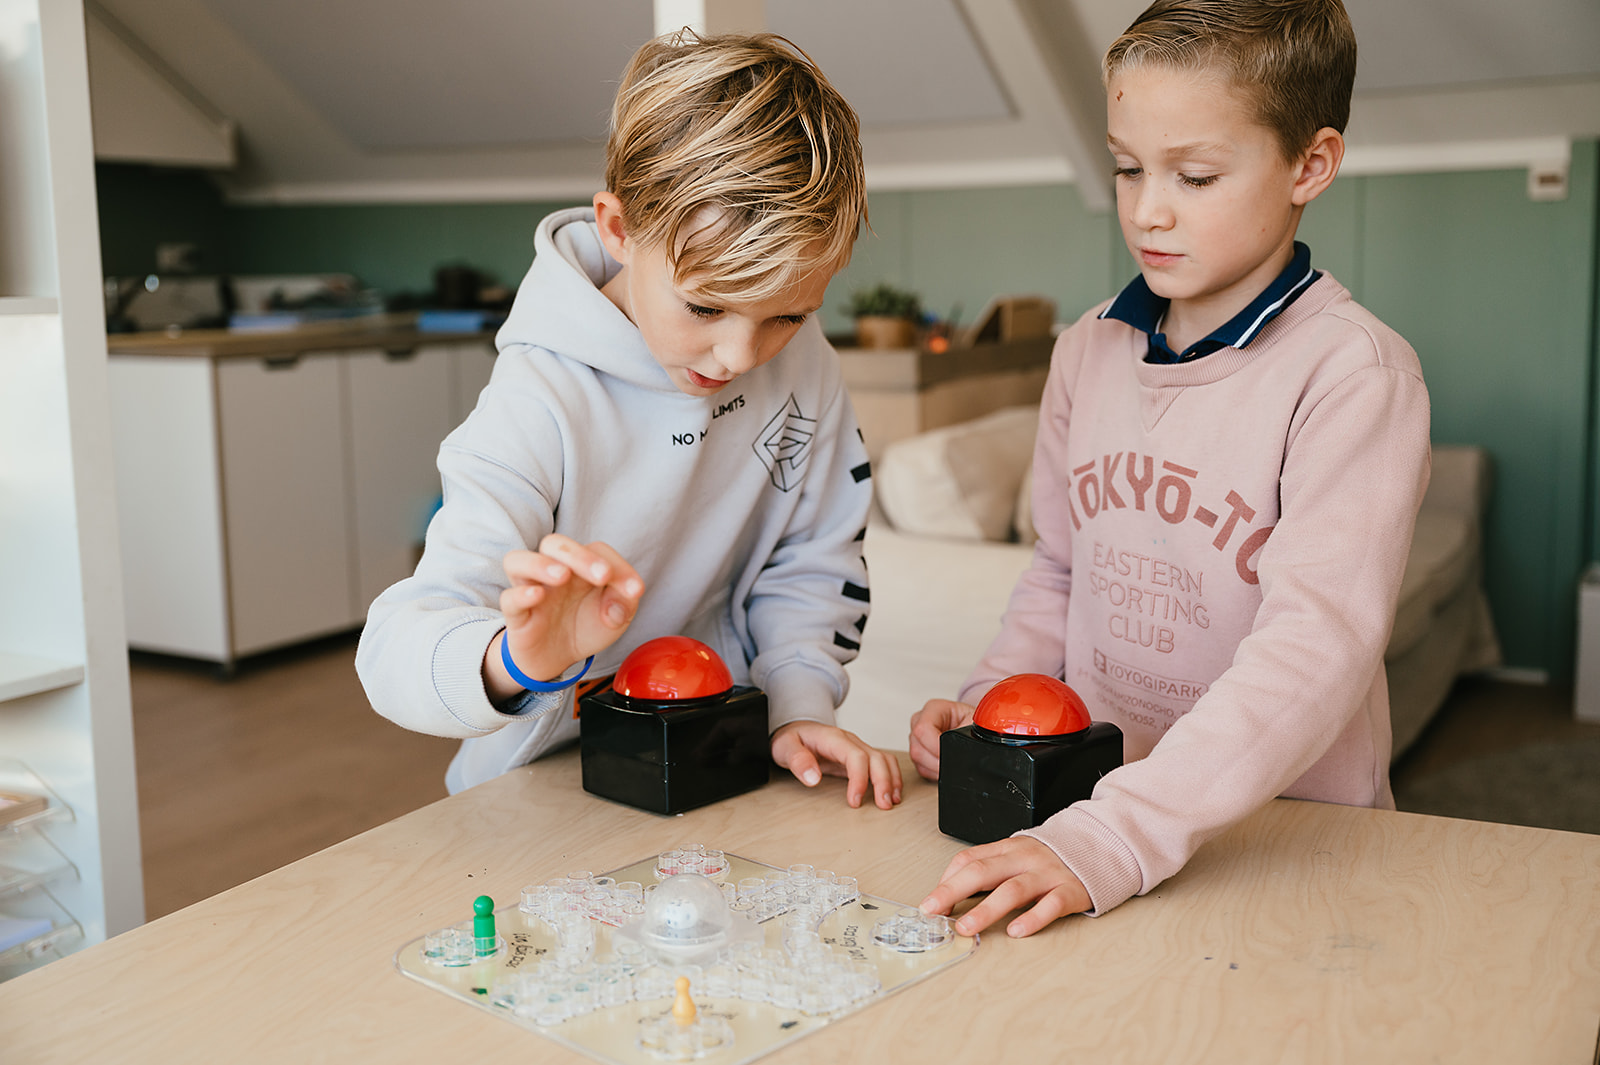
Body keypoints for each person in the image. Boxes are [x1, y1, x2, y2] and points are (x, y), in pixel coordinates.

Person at [912, 0, 1430, 934]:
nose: (1148, 209)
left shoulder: (1356, 374)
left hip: (1285, 840)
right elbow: (1059, 571)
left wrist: (1119, 837)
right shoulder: (1086, 351)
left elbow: (1317, 647)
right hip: (1096, 809)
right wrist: (987, 706)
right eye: (1126, 166)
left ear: (1309, 165)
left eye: (1194, 175)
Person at [356, 31, 902, 810]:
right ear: (618, 229)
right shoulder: (539, 396)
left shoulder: (803, 361)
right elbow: (393, 648)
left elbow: (811, 562)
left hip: (726, 757)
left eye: (785, 314)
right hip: (541, 792)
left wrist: (799, 708)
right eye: (705, 305)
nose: (740, 352)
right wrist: (516, 661)